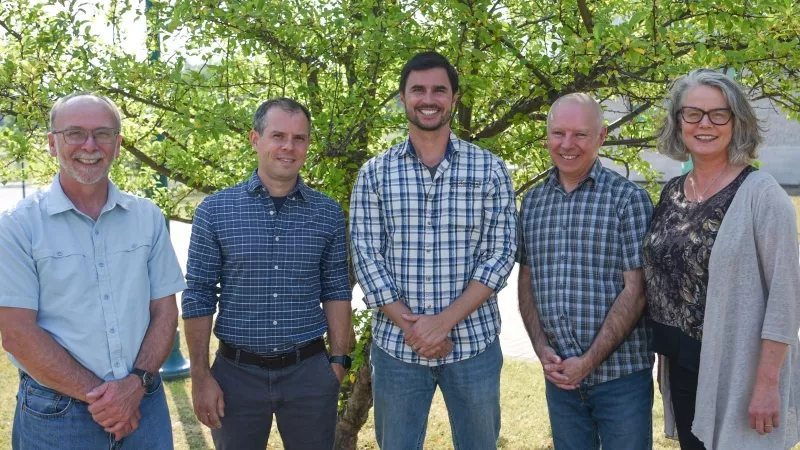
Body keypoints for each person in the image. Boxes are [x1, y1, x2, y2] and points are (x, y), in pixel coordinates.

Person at [350, 51, 517, 449]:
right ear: (403, 98)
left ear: (454, 99)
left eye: (439, 90)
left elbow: (499, 256)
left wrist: (442, 323)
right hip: (397, 351)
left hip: (473, 346)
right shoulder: (375, 173)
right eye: (418, 90)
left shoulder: (489, 170)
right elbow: (367, 257)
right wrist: (416, 329)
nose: (429, 98)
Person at [0, 92, 186, 449]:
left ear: (117, 145)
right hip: (57, 414)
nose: (90, 145)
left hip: (143, 402)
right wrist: (111, 400)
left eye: (103, 133)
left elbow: (164, 311)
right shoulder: (17, 226)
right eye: (74, 133)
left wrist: (134, 386)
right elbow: (16, 332)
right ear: (52, 144)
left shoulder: (147, 217)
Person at [182, 97, 352, 449]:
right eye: (278, 136)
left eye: (299, 138)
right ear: (255, 139)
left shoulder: (328, 213)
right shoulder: (215, 211)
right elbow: (198, 294)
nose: (288, 147)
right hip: (235, 375)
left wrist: (337, 363)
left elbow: (336, 289)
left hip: (309, 374)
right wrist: (201, 377)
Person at [645, 68, 800, 449]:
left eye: (719, 114)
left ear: (737, 122)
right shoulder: (672, 194)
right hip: (682, 365)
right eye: (692, 113)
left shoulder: (763, 196)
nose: (705, 124)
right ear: (678, 120)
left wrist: (766, 386)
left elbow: (786, 298)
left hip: (739, 374)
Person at [517, 93, 654, 449]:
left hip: (620, 380)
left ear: (602, 136)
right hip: (560, 379)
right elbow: (527, 280)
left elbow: (636, 291)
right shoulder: (532, 202)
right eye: (558, 133)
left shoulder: (628, 200)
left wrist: (588, 361)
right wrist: (540, 345)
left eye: (580, 134)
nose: (567, 144)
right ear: (546, 136)